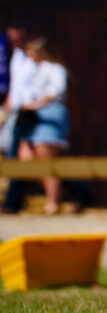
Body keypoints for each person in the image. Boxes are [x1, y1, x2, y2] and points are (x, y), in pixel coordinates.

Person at [11, 37, 72, 215]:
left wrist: (37, 103)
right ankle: (61, 193)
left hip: (49, 114)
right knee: (26, 157)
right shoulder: (32, 70)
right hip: (32, 117)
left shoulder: (55, 68)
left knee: (45, 157)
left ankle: (53, 202)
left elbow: (57, 90)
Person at [0, 24, 36, 213]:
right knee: (17, 156)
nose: (16, 42)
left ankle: (11, 203)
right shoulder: (16, 58)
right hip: (14, 113)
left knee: (19, 156)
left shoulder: (34, 58)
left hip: (29, 114)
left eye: (18, 38)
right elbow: (14, 91)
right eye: (12, 39)